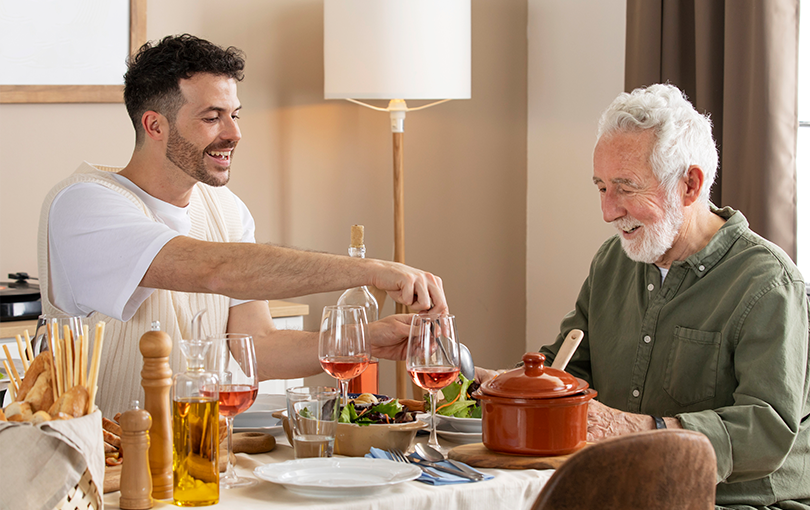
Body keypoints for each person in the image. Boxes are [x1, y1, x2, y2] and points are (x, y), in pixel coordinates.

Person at [37, 34, 447, 416]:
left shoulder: (226, 208)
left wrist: (366, 339)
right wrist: (371, 270)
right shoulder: (83, 203)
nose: (234, 133)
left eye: (234, 114)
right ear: (155, 125)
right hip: (104, 466)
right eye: (213, 117)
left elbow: (261, 347)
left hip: (200, 453)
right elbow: (217, 270)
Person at [480, 84, 810, 509]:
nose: (608, 211)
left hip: (733, 503)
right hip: (628, 493)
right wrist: (498, 388)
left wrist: (635, 427)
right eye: (601, 187)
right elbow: (570, 367)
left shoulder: (768, 284)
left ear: (690, 185)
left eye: (626, 187)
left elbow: (765, 432)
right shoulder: (613, 263)